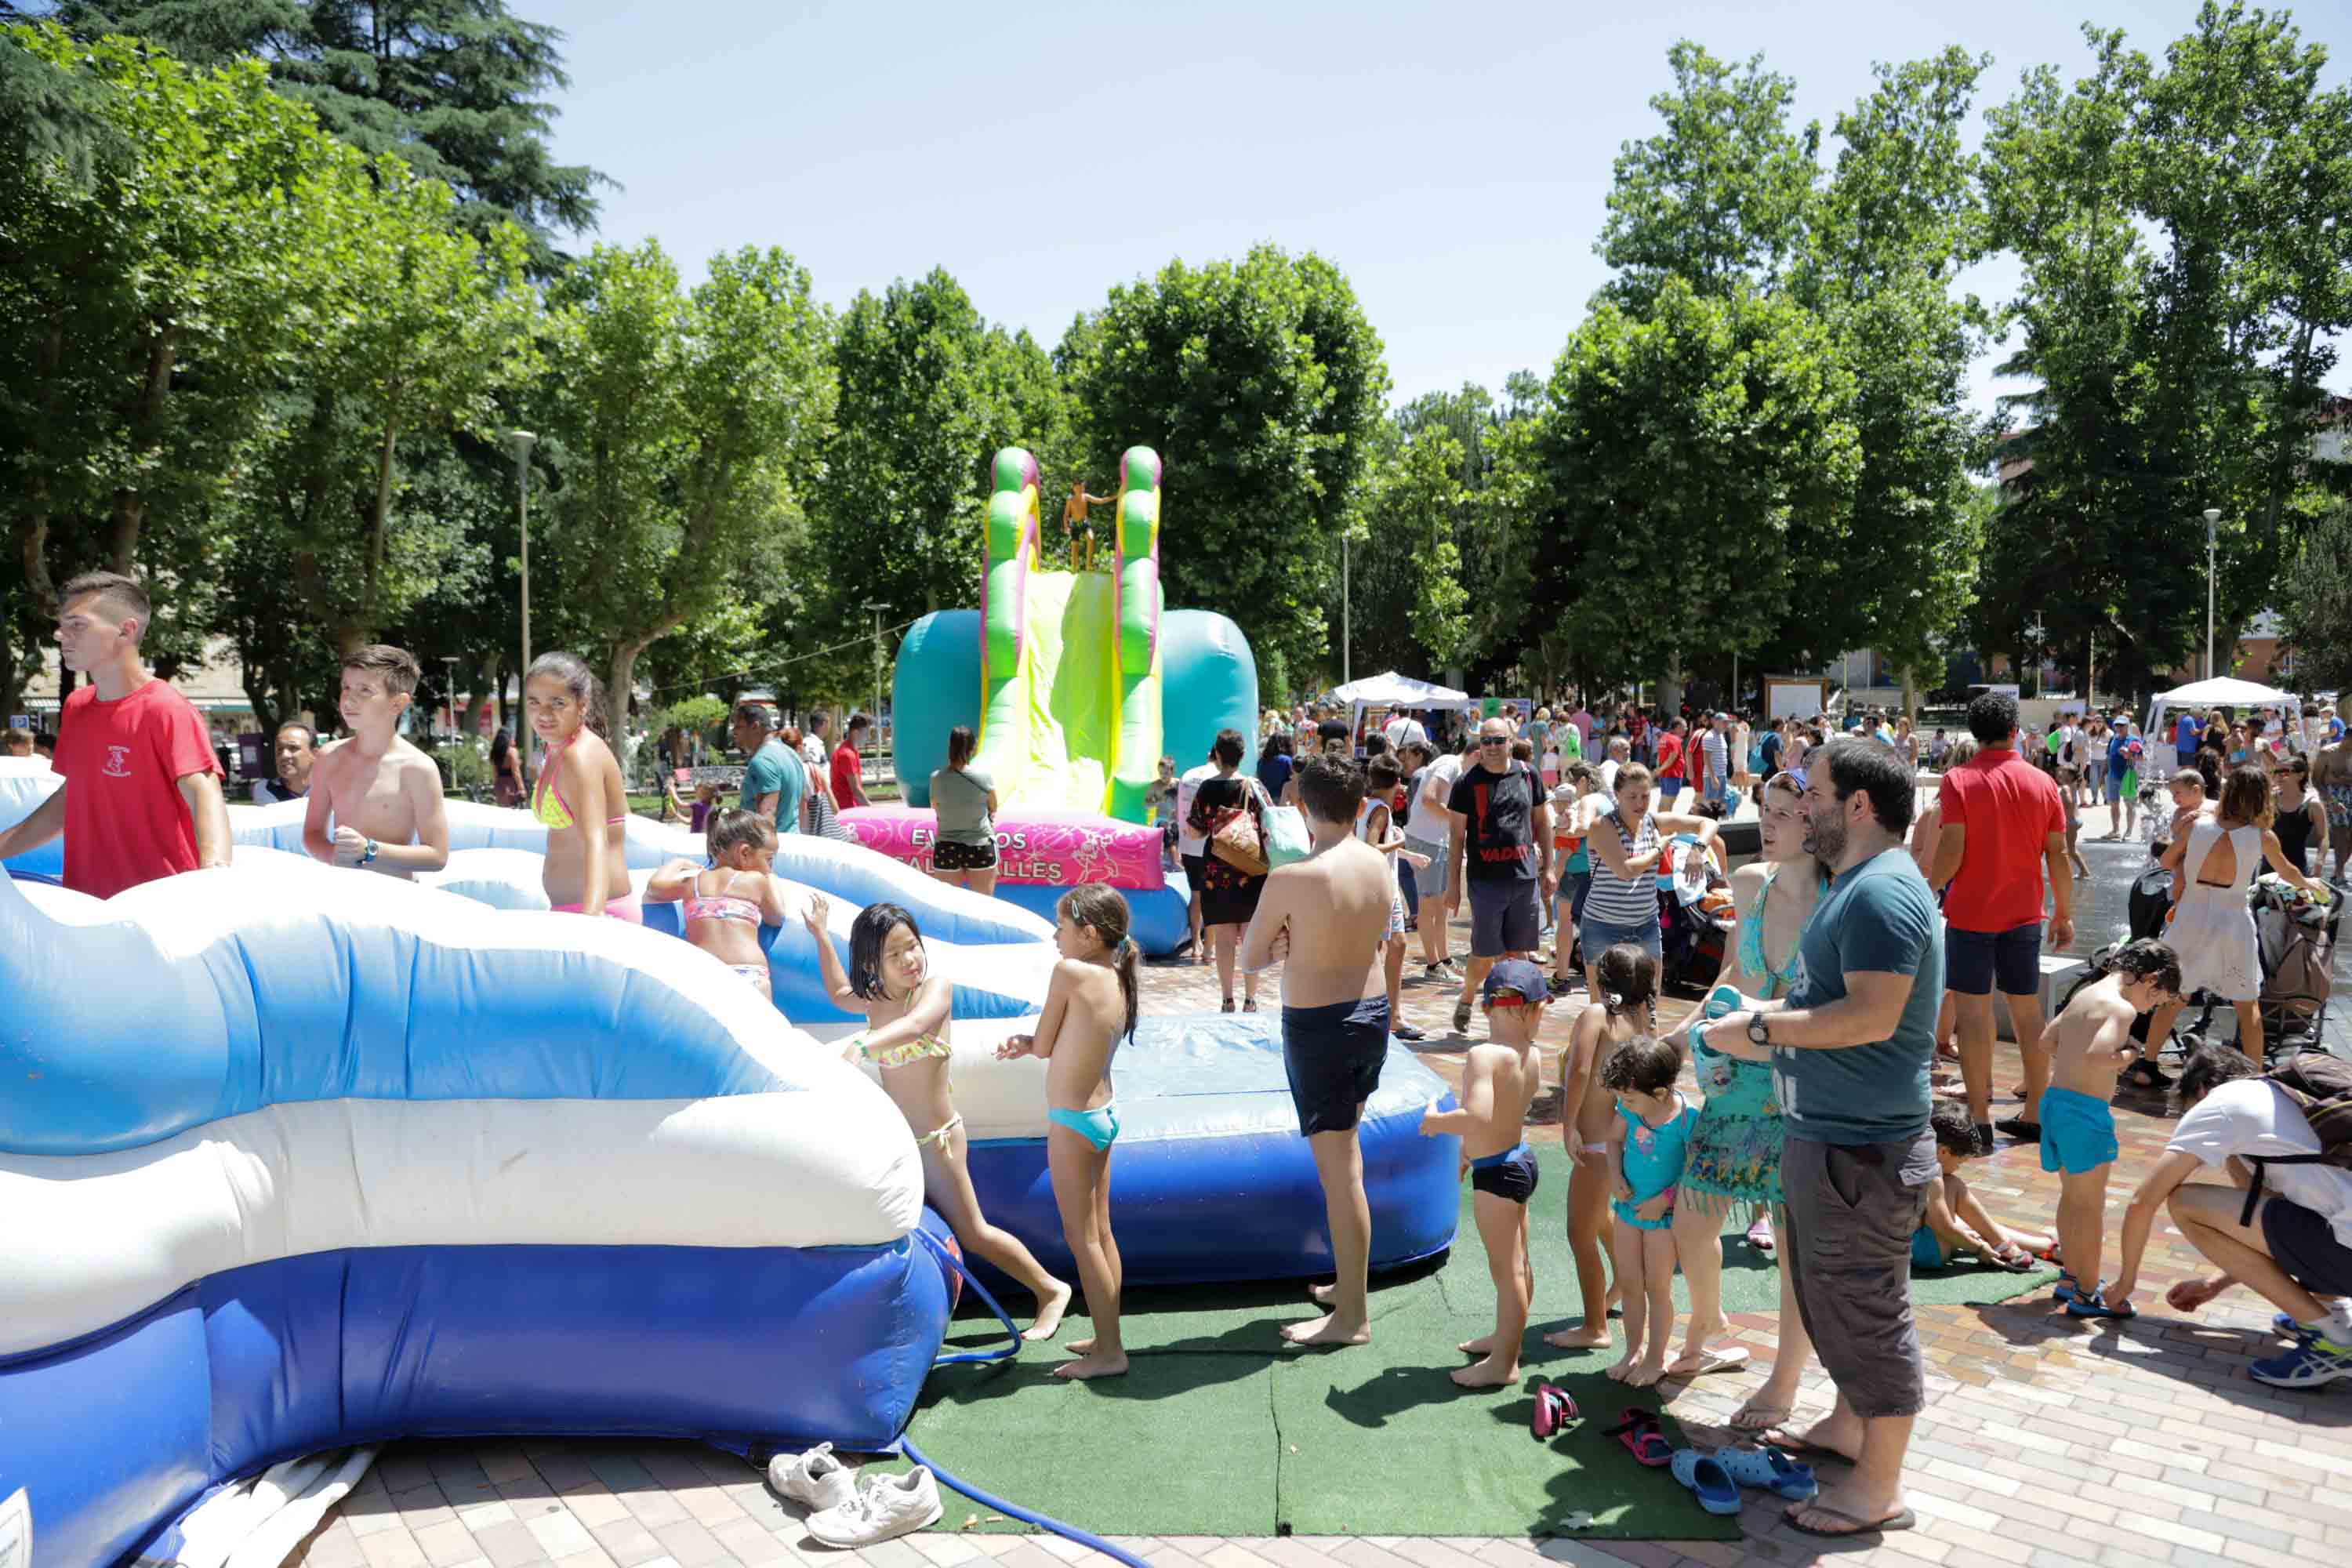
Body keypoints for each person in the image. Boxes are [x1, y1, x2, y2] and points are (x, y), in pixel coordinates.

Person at [1699, 738, 1942, 1541]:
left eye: (1816, 793)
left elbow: (1872, 1014)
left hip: (1862, 1147)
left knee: (1869, 1309)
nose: (1806, 807)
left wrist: (1760, 1028)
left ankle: (1878, 1483)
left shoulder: (1881, 893)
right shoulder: (1861, 883)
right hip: (1833, 1137)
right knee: (1833, 1296)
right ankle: (1846, 1422)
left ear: (1859, 806)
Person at [810, 894, 1073, 1338]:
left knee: (974, 1232)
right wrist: (819, 934)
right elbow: (838, 994)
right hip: (898, 1141)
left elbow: (913, 1028)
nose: (909, 959)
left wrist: (860, 1045)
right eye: (894, 954)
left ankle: (1050, 1289)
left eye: (912, 945)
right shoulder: (874, 998)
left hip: (938, 1141)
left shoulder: (934, 990)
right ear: (873, 964)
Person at [1675, 771, 1824, 1422]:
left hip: (1798, 1087)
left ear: (1815, 823)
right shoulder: (1748, 882)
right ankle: (1705, 1329)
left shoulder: (1838, 898)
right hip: (1735, 1078)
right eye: (1767, 810)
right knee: (1692, 1214)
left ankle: (1785, 1378)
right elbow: (1734, 970)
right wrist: (1681, 1034)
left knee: (1794, 1243)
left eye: (1786, 814)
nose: (1769, 823)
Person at [1239, 754, 1396, 1348]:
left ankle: (1352, 1317)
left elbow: (1253, 957)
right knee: (1346, 1159)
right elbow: (1376, 935)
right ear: (1361, 807)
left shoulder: (1292, 878)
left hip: (1320, 1025)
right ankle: (1347, 1286)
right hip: (1371, 1014)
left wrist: (1289, 941)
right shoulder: (1378, 864)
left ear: (1303, 807)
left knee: (1341, 1174)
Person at [2107, 1044, 2352, 1387]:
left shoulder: (2221, 1104)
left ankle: (2334, 1342)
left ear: (2201, 1090)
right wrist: (2215, 1284)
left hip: (2344, 1250)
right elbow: (2265, 1228)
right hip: (2342, 1244)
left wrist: (2125, 1283)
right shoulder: (2284, 1101)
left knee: (2185, 1203)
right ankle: (2336, 1316)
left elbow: (2143, 1201)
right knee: (2303, 1210)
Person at [0, 572, 231, 898]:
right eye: (62, 624)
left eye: (77, 625)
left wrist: (216, 880)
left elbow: (204, 794)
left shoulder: (166, 708)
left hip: (159, 910)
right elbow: (69, 801)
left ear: (126, 629)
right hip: (87, 907)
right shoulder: (77, 706)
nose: (59, 635)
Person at [998, 884, 1138, 1379]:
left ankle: (1111, 1352)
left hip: (1072, 1120)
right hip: (1102, 1113)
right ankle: (1106, 1338)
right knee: (1101, 1233)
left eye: (1062, 926)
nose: (1056, 935)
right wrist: (1031, 1044)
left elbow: (1042, 1044)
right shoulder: (1115, 971)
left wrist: (1022, 1042)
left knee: (1083, 1239)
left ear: (1089, 933)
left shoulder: (1070, 971)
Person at [1929, 690, 2070, 1155]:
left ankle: (1981, 1119)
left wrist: (1930, 886)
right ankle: (2036, 1113)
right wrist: (2064, 912)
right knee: (2028, 1013)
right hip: (2025, 911)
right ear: (2015, 732)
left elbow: (1953, 846)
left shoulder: (1958, 779)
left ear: (1974, 733)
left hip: (1971, 912)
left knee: (1973, 1014)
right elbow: (2059, 854)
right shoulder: (2042, 782)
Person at [2024, 938, 2183, 1319]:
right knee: (2091, 1209)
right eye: (2156, 1001)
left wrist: (2080, 1058)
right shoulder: (2121, 1008)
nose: (2150, 1009)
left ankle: (2069, 1277)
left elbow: (2047, 1041)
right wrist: (2130, 1054)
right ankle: (2088, 1292)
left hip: (2056, 1104)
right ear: (2151, 980)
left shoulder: (2086, 994)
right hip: (2086, 1113)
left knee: (2071, 1199)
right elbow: (2099, 1055)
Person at [2142, 767, 2327, 1068]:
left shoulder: (2197, 825)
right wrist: (2310, 884)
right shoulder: (2262, 837)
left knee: (2176, 995)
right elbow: (2288, 872)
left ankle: (2147, 1064)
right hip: (2232, 920)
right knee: (2246, 1004)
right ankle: (2253, 1076)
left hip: (2190, 915)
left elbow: (2165, 860)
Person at [1417, 957, 1546, 1388]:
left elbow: (1476, 1115)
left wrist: (1437, 1122)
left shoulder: (1484, 1055)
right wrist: (1468, 1155)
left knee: (1506, 1270)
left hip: (1498, 1175)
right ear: (1537, 1009)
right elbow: (1503, 1118)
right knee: (1518, 1263)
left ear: (1486, 1007)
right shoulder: (1532, 1055)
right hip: (1519, 1159)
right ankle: (1508, 1339)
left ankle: (1505, 1363)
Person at [1542, 944, 1655, 1352]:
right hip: (1622, 1144)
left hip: (1594, 1144)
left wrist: (1568, 1123)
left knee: (1580, 1234)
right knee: (1603, 1219)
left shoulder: (1597, 1016)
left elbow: (1579, 1069)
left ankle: (1595, 1327)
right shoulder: (1643, 1022)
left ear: (1601, 979)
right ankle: (1624, 1284)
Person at [1445, 717, 1555, 1036]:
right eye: (1486, 741)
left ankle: (1515, 1021)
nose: (1491, 747)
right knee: (1483, 956)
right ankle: (1468, 996)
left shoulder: (1528, 774)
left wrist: (1549, 867)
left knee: (1519, 954)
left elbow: (1543, 823)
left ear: (1511, 741)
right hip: (1485, 880)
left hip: (1523, 877)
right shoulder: (1466, 783)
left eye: (1498, 740)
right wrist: (1454, 885)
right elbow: (1456, 837)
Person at [1599, 1034, 1697, 1388]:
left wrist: (1665, 1200)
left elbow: (1695, 1172)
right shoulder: (1630, 1109)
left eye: (1628, 1097)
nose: (1623, 1103)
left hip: (1663, 1219)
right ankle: (1633, 1351)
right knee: (1630, 1281)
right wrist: (1614, 1174)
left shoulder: (1687, 1118)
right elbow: (1613, 1140)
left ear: (1658, 1092)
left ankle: (1655, 1358)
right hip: (1628, 1209)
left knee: (1657, 1286)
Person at [302, 646, 449, 880]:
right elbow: (311, 834)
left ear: (397, 704)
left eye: (365, 690)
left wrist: (369, 851)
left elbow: (437, 855)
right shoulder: (329, 758)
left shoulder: (417, 768)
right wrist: (333, 855)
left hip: (397, 896)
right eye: (346, 687)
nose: (349, 698)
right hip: (346, 892)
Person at [1575, 761, 1719, 996]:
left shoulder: (1655, 822)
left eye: (1645, 796)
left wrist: (1697, 849)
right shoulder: (1601, 826)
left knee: (1650, 1004)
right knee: (1602, 1006)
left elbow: (1709, 823)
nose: (1640, 803)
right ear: (1617, 794)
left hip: (1645, 925)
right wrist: (1659, 850)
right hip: (1602, 926)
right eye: (1632, 796)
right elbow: (1626, 870)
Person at [523, 652, 635, 920]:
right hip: (577, 910)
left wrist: (593, 916)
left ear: (582, 704)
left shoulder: (579, 756)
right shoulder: (556, 750)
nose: (543, 714)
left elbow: (597, 840)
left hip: (597, 912)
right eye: (534, 703)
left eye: (557, 703)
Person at [644, 808, 793, 996]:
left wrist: (678, 863)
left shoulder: (693, 883)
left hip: (706, 975)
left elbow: (654, 886)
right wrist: (772, 877)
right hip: (749, 975)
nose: (768, 868)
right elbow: (777, 917)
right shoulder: (756, 880)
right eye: (769, 860)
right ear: (745, 853)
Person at [1911, 1100, 2054, 1270]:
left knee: (1975, 1224)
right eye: (1959, 1163)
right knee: (1953, 1184)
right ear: (1943, 1151)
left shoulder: (1912, 1156)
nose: (1957, 1168)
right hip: (1925, 1253)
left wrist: (1963, 1236)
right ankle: (2005, 1245)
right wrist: (1978, 1249)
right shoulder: (1933, 1176)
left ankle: (2042, 1246)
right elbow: (1945, 1227)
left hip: (1903, 1243)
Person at [1189, 729, 1272, 1012]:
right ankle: (1251, 999)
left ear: (1217, 754)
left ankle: (1227, 998)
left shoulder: (1206, 788)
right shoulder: (1254, 786)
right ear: (1243, 755)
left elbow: (1196, 829)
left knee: (1224, 938)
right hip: (1252, 869)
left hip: (1216, 869)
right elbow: (1271, 824)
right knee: (1251, 936)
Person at [1359, 755, 1426, 1042]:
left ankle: (1383, 1013)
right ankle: (1388, 1015)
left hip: (1375, 886)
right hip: (1381, 888)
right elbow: (1372, 847)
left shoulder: (1364, 805)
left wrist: (1407, 855)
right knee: (1389, 948)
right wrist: (1401, 842)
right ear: (1398, 782)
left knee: (1385, 948)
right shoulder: (1381, 810)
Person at [1399, 738, 1459, 981]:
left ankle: (1443, 959)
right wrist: (1457, 821)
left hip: (1436, 841)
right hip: (1427, 842)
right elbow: (1427, 802)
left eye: (1409, 757)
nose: (1406, 762)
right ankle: (1434, 964)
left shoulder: (1439, 768)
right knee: (1429, 905)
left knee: (1440, 905)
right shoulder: (1446, 766)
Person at [1546, 760, 1602, 996]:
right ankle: (1597, 978)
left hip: (1572, 870)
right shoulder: (1605, 802)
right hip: (1596, 870)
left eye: (1571, 781)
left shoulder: (1579, 806)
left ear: (1581, 781)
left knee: (1566, 924)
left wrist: (1553, 875)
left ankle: (1561, 977)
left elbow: (1572, 840)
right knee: (1597, 924)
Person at [927, 724, 1000, 895]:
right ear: (972, 748)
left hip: (947, 847)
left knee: (947, 907)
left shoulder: (936, 779)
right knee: (984, 906)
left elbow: (935, 807)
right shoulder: (984, 778)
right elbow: (994, 806)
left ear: (950, 748)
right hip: (980, 844)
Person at [1173, 746, 1221, 964]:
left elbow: (1178, 810)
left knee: (1196, 895)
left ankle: (1195, 944)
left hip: (1187, 843)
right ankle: (1209, 948)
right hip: (1209, 844)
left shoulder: (1187, 775)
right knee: (1212, 896)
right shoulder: (1217, 777)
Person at [733, 702, 806, 842]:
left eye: (739, 726)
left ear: (755, 726)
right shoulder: (791, 753)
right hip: (794, 840)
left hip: (771, 850)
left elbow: (767, 815)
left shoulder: (763, 760)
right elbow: (802, 805)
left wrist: (763, 860)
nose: (734, 731)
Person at [2272, 755, 2328, 876]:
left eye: (2285, 772)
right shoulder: (2269, 801)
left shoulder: (2313, 804)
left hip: (2298, 871)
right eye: (2276, 772)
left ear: (2301, 775)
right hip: (2267, 871)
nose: (2279, 776)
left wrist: (2318, 865)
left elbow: (2323, 837)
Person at [2314, 720, 2352, 880]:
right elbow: (2316, 780)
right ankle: (2339, 872)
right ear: (2346, 738)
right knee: (2341, 832)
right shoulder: (2327, 753)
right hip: (2333, 796)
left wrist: (2344, 778)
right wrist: (2331, 801)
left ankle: (2339, 870)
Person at [252, 722, 317, 804]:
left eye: (293, 748)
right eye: (279, 749)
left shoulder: (331, 788)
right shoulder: (266, 790)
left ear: (315, 754)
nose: (284, 755)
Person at [2103, 717, 2142, 840]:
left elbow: (2142, 758)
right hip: (2112, 776)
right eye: (2117, 725)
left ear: (2128, 726)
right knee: (2114, 805)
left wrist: (2128, 754)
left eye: (2122, 725)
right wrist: (2104, 774)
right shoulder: (2113, 739)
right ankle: (2115, 830)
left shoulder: (2134, 740)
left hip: (2127, 777)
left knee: (2129, 804)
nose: (2119, 727)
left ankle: (2129, 832)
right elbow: (2108, 757)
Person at [832, 713, 873, 811]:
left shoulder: (852, 751)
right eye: (866, 733)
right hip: (846, 811)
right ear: (856, 732)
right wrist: (873, 811)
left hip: (851, 809)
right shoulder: (847, 754)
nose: (868, 737)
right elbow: (856, 791)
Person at [1255, 729, 1295, 805]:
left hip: (1264, 801)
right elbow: (1293, 781)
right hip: (1281, 801)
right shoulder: (1287, 761)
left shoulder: (1261, 761)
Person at [491, 728, 528, 809]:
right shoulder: (512, 751)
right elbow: (516, 772)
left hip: (499, 785)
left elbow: (495, 773)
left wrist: (495, 787)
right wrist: (522, 789)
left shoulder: (495, 752)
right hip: (510, 785)